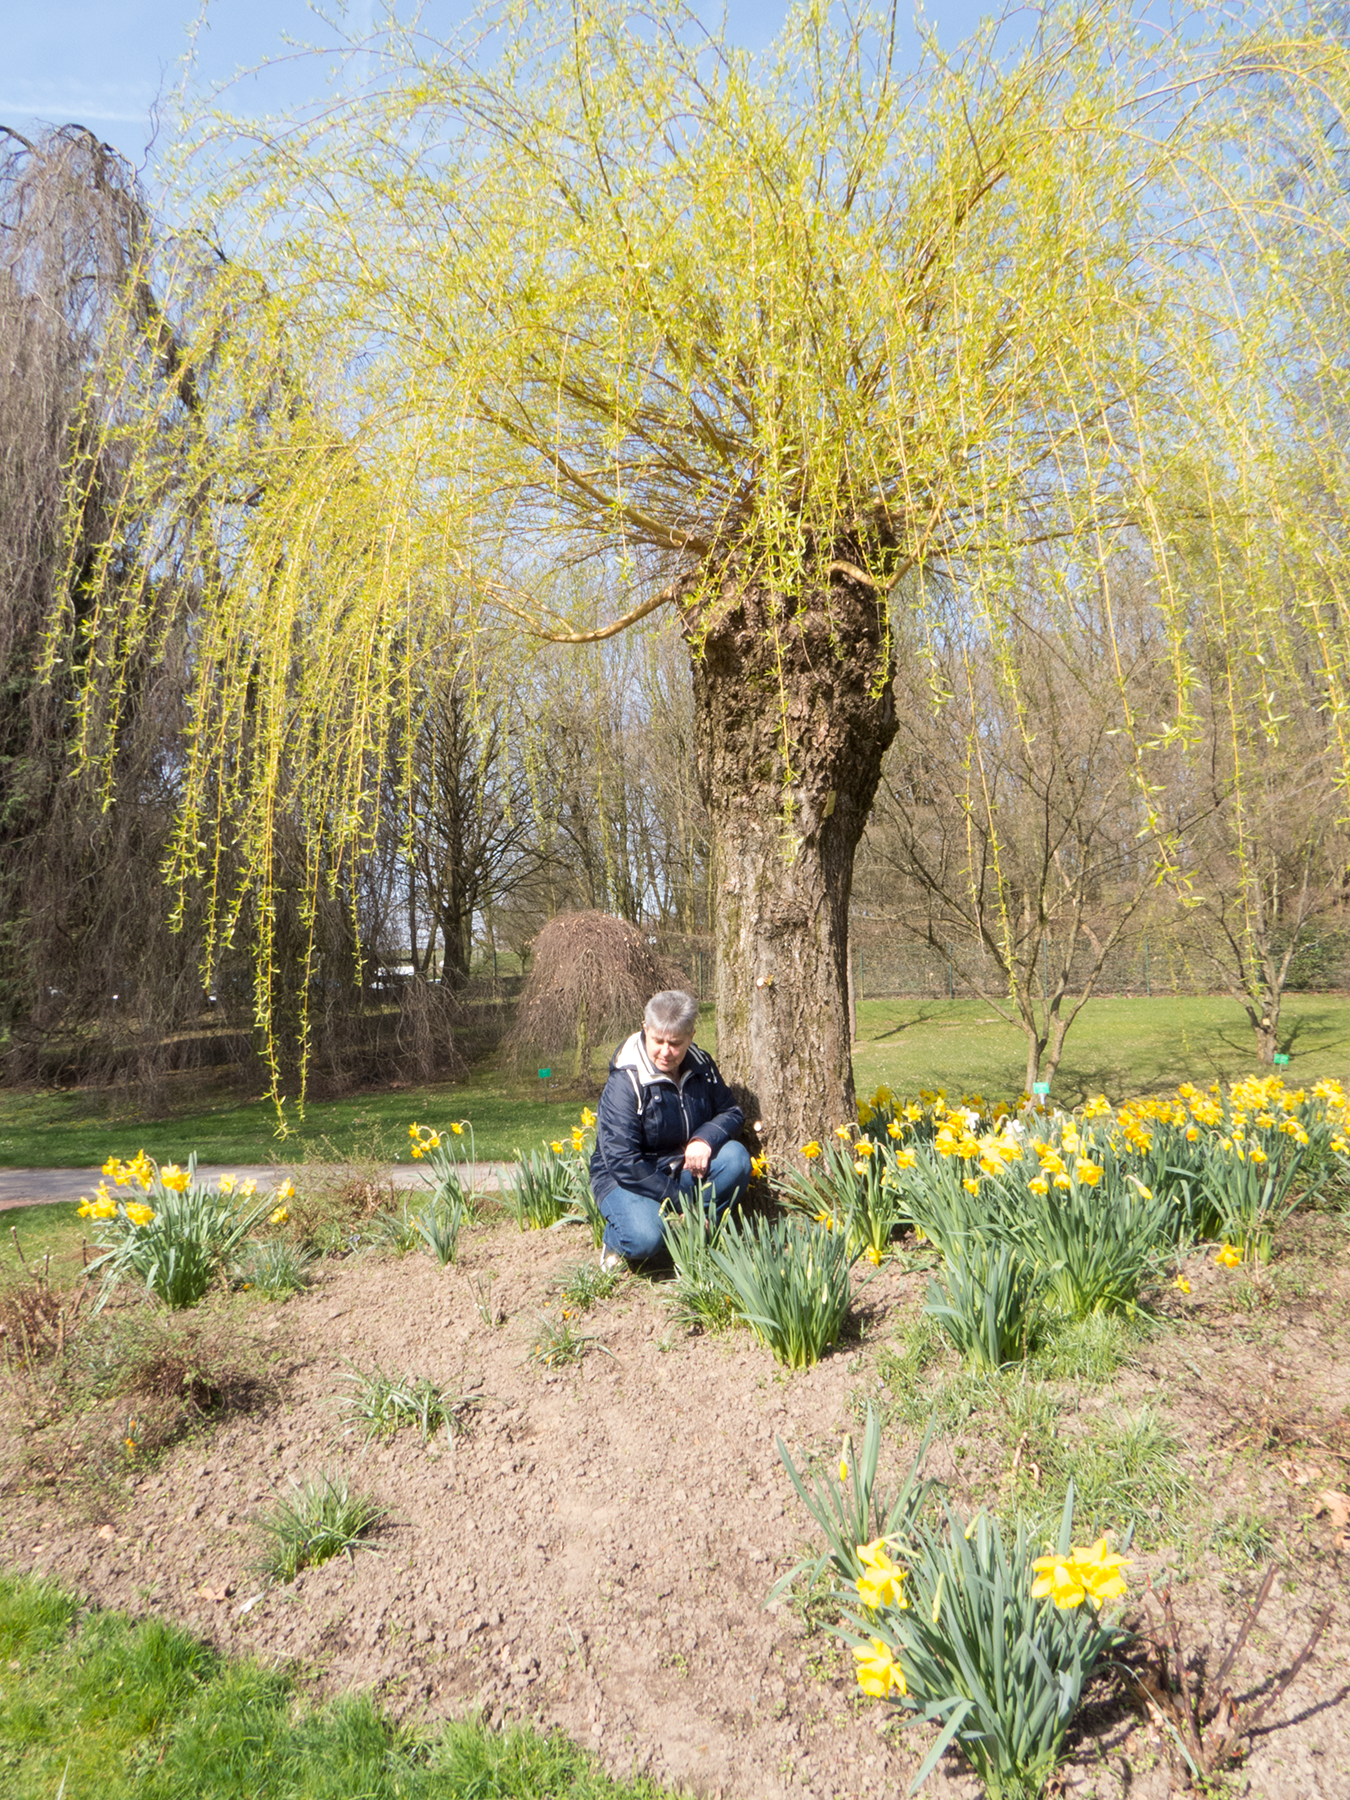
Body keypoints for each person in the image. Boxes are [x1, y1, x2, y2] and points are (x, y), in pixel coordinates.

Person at [590, 988, 750, 1267]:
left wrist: (704, 1139)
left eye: (675, 1043)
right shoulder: (626, 1080)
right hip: (628, 1178)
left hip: (682, 1167)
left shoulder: (701, 1065)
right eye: (658, 1041)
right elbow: (622, 1160)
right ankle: (617, 1241)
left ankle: (695, 1233)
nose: (665, 1052)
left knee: (735, 1158)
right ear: (645, 1029)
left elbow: (731, 1112)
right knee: (644, 1238)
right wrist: (681, 1201)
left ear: (691, 1036)